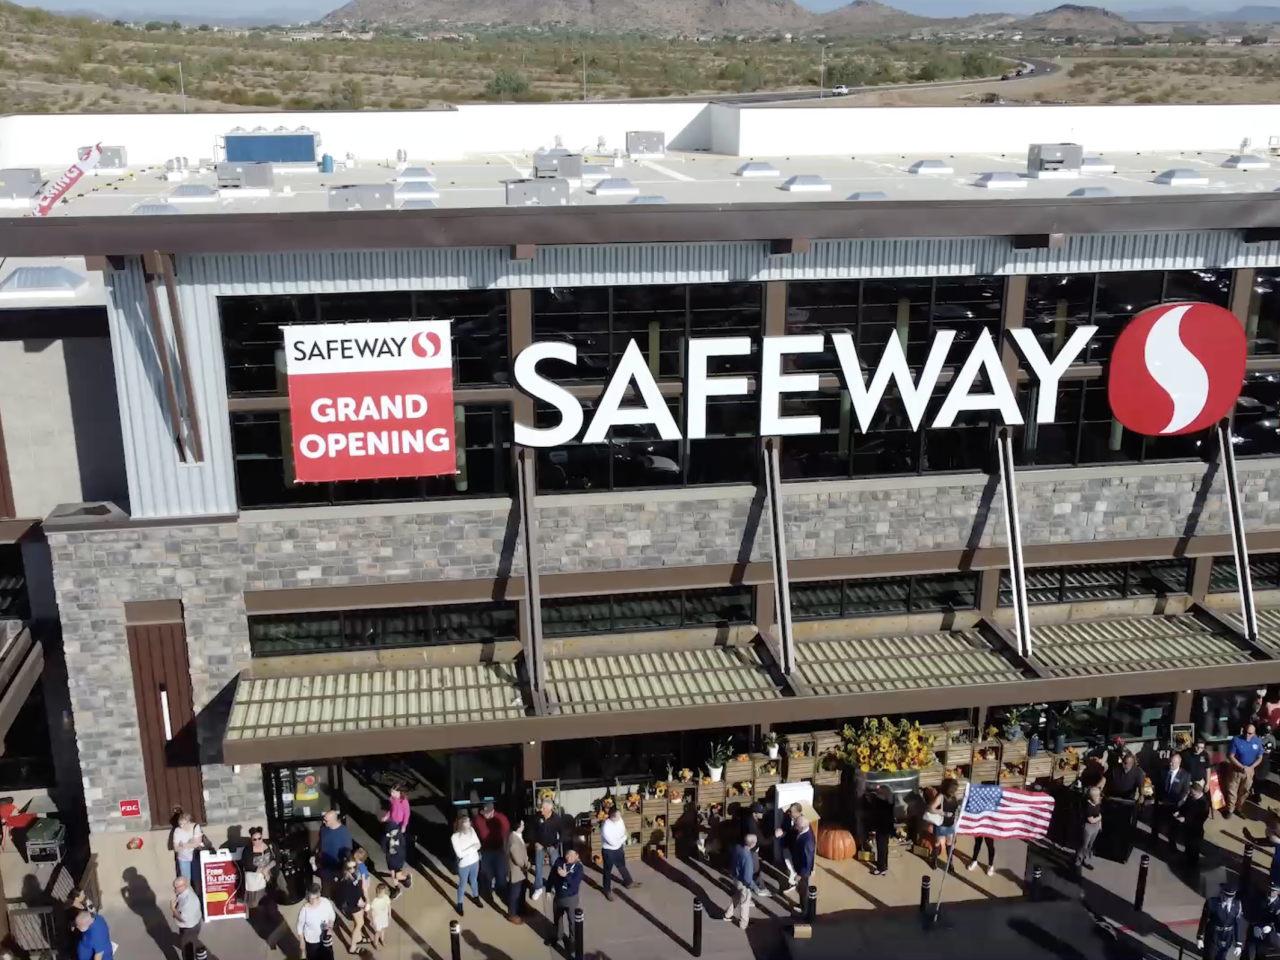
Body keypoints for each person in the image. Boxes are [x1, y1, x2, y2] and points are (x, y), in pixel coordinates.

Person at [1102, 751, 1144, 861]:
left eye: (1126, 763)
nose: (1124, 765)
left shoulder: (1137, 772)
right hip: (1112, 798)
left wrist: (1141, 797)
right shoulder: (1115, 769)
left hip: (1127, 802)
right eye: (1123, 762)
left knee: (1123, 828)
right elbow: (1105, 780)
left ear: (1131, 763)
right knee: (1109, 825)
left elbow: (1141, 788)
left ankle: (1121, 853)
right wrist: (1102, 791)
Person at [721, 834, 763, 931]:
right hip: (743, 882)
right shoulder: (747, 857)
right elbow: (747, 878)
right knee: (745, 902)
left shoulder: (737, 848)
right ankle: (744, 924)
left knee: (737, 897)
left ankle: (728, 914)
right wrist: (753, 886)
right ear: (752, 844)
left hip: (735, 878)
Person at [600, 806, 641, 901]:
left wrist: (622, 838)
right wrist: (624, 837)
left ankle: (629, 882)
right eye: (618, 816)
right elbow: (613, 842)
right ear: (612, 817)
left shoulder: (619, 820)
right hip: (608, 851)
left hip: (619, 848)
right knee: (607, 871)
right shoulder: (606, 827)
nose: (620, 817)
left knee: (622, 865)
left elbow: (623, 830)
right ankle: (607, 890)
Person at [548, 847, 584, 952]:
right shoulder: (559, 861)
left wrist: (565, 876)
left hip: (571, 898)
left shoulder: (578, 867)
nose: (569, 857)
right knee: (557, 919)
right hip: (559, 896)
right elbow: (552, 876)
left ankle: (572, 943)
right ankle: (558, 937)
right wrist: (548, 889)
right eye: (567, 854)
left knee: (572, 921)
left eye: (572, 855)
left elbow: (574, 883)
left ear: (577, 856)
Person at [1226, 722, 1265, 819]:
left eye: (1250, 733)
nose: (1247, 735)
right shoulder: (1236, 740)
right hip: (1236, 770)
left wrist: (1251, 767)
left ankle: (1239, 809)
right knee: (1232, 791)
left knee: (1245, 791)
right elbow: (1230, 756)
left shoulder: (1257, 741)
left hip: (1249, 771)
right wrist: (1241, 767)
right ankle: (1230, 809)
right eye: (1246, 732)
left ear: (1254, 733)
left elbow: (1260, 757)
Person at [1153, 752, 1191, 851]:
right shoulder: (1162, 771)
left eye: (1173, 763)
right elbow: (1157, 785)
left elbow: (1185, 791)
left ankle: (1171, 844)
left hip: (1174, 805)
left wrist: (1177, 803)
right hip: (1161, 803)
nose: (1171, 764)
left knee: (1173, 827)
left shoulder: (1185, 775)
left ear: (1179, 763)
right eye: (1170, 762)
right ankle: (1153, 841)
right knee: (1157, 823)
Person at [474, 802, 510, 898]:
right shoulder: (477, 820)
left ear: (493, 811)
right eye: (483, 812)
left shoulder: (501, 819)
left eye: (487, 812)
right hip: (485, 851)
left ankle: (502, 891)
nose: (485, 815)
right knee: (486, 874)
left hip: (499, 850)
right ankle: (487, 892)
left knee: (501, 873)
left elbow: (506, 834)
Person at [1198, 883, 1244, 960]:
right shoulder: (1212, 903)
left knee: (1222, 957)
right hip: (1213, 934)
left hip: (1227, 936)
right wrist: (1199, 937)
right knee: (1210, 957)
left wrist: (1239, 943)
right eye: (1227, 896)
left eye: (1231, 897)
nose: (1228, 899)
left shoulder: (1237, 905)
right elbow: (1204, 920)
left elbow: (1238, 923)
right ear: (1222, 893)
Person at [296, 882, 338, 960]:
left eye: (313, 898)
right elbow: (299, 926)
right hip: (312, 942)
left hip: (326, 939)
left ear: (318, 896)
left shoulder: (325, 902)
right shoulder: (304, 910)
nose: (310, 900)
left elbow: (332, 915)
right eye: (309, 898)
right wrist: (302, 941)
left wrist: (330, 927)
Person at [531, 798, 563, 901]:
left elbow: (563, 834)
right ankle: (538, 888)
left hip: (552, 846)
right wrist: (535, 842)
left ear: (550, 808)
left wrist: (555, 845)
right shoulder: (536, 817)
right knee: (538, 867)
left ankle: (555, 886)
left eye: (544, 808)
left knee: (555, 867)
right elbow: (531, 831)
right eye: (541, 807)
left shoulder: (557, 819)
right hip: (540, 846)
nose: (541, 810)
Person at [451, 812, 482, 915]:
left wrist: (468, 850)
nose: (469, 823)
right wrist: (472, 848)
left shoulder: (472, 831)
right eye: (467, 822)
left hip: (475, 861)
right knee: (462, 884)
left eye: (469, 821)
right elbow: (460, 854)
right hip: (464, 864)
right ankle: (459, 903)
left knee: (474, 880)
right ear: (462, 824)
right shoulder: (455, 837)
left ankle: (475, 896)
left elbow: (479, 845)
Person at [316, 810, 353, 893]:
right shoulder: (324, 830)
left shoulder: (344, 832)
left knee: (338, 889)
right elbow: (320, 842)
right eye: (323, 819)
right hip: (325, 865)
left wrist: (347, 868)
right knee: (325, 889)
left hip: (337, 867)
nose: (323, 822)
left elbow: (347, 852)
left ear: (333, 820)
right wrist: (317, 852)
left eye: (326, 820)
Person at [241, 826, 276, 914]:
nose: (257, 841)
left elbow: (276, 858)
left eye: (259, 838)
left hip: (268, 870)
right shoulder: (248, 850)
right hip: (255, 873)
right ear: (251, 840)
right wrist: (263, 872)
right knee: (256, 883)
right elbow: (248, 865)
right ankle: (254, 910)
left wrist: (267, 869)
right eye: (254, 839)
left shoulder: (269, 845)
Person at [1179, 781, 1213, 872]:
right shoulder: (1191, 798)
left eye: (1193, 793)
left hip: (1196, 830)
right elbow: (1185, 806)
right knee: (1187, 845)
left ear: (1198, 793)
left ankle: (1192, 866)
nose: (1191, 794)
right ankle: (1186, 859)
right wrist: (1179, 813)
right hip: (1187, 828)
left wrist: (1185, 820)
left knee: (1194, 848)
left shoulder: (1204, 803)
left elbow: (1201, 819)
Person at [927, 780, 960, 871]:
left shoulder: (954, 797)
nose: (954, 792)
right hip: (941, 823)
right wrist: (943, 813)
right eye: (953, 790)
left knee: (950, 844)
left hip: (951, 823)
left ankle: (950, 863)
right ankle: (934, 861)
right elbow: (930, 808)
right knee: (937, 842)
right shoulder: (941, 797)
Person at [334, 859, 365, 954]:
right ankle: (352, 948)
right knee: (359, 924)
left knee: (359, 923)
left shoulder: (352, 875)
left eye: (354, 867)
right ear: (345, 868)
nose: (352, 869)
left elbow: (356, 888)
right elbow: (347, 896)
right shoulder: (346, 881)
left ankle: (358, 938)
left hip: (357, 901)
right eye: (349, 868)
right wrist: (358, 901)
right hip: (353, 904)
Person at [171, 876, 203, 960]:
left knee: (187, 951)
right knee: (192, 943)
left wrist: (173, 909)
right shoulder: (188, 892)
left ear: (183, 886)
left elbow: (182, 918)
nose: (174, 890)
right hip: (194, 924)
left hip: (189, 929)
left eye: (176, 887)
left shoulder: (188, 902)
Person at [1247, 883, 1280, 960]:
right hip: (1257, 927)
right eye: (1270, 889)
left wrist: (1271, 927)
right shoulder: (1260, 899)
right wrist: (1255, 925)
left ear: (1278, 892)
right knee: (1251, 949)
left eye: (1273, 891)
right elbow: (1253, 914)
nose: (1270, 892)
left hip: (1272, 932)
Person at [1074, 785, 1103, 873]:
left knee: (1090, 844)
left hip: (1095, 826)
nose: (1099, 797)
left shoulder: (1097, 804)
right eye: (1097, 796)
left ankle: (1086, 860)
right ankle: (1078, 861)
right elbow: (1091, 820)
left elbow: (1098, 814)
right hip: (1088, 827)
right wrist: (1099, 818)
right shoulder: (1088, 807)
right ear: (1092, 797)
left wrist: (1099, 825)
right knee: (1084, 845)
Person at [868, 784, 895, 877]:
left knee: (881, 847)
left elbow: (876, 816)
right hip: (887, 827)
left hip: (881, 828)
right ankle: (885, 865)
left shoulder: (880, 804)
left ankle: (880, 868)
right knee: (885, 847)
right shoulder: (890, 802)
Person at [171, 810, 203, 884]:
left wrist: (184, 845)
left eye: (184, 824)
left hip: (195, 857)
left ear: (189, 822)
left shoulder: (195, 827)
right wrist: (190, 843)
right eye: (180, 824)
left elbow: (197, 844)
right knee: (186, 881)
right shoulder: (177, 830)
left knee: (197, 880)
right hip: (183, 858)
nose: (182, 826)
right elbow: (176, 848)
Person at [791, 815, 816, 909]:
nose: (794, 826)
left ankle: (804, 909)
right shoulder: (806, 831)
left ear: (801, 827)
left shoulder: (807, 841)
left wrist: (800, 874)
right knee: (802, 889)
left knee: (803, 889)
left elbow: (807, 860)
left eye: (796, 825)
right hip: (801, 867)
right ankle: (802, 905)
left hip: (803, 871)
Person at [506, 819, 529, 924]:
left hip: (522, 870)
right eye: (523, 824)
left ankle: (521, 909)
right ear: (518, 826)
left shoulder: (518, 835)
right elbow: (516, 856)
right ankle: (512, 914)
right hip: (517, 871)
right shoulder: (513, 839)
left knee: (521, 891)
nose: (524, 826)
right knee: (514, 893)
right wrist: (524, 865)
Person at [382, 820, 410, 898]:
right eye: (393, 831)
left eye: (395, 830)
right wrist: (388, 847)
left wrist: (395, 846)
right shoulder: (385, 837)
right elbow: (383, 848)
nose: (395, 832)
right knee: (392, 875)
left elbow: (403, 846)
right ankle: (397, 888)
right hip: (390, 859)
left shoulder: (399, 835)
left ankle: (407, 877)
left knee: (397, 876)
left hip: (398, 859)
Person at [367, 883, 391, 952]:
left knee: (383, 929)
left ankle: (382, 939)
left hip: (384, 917)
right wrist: (374, 920)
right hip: (378, 919)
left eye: (383, 892)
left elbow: (389, 905)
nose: (382, 894)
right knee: (378, 932)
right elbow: (373, 912)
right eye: (381, 892)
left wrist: (389, 914)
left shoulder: (386, 897)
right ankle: (376, 943)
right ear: (377, 892)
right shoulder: (375, 901)